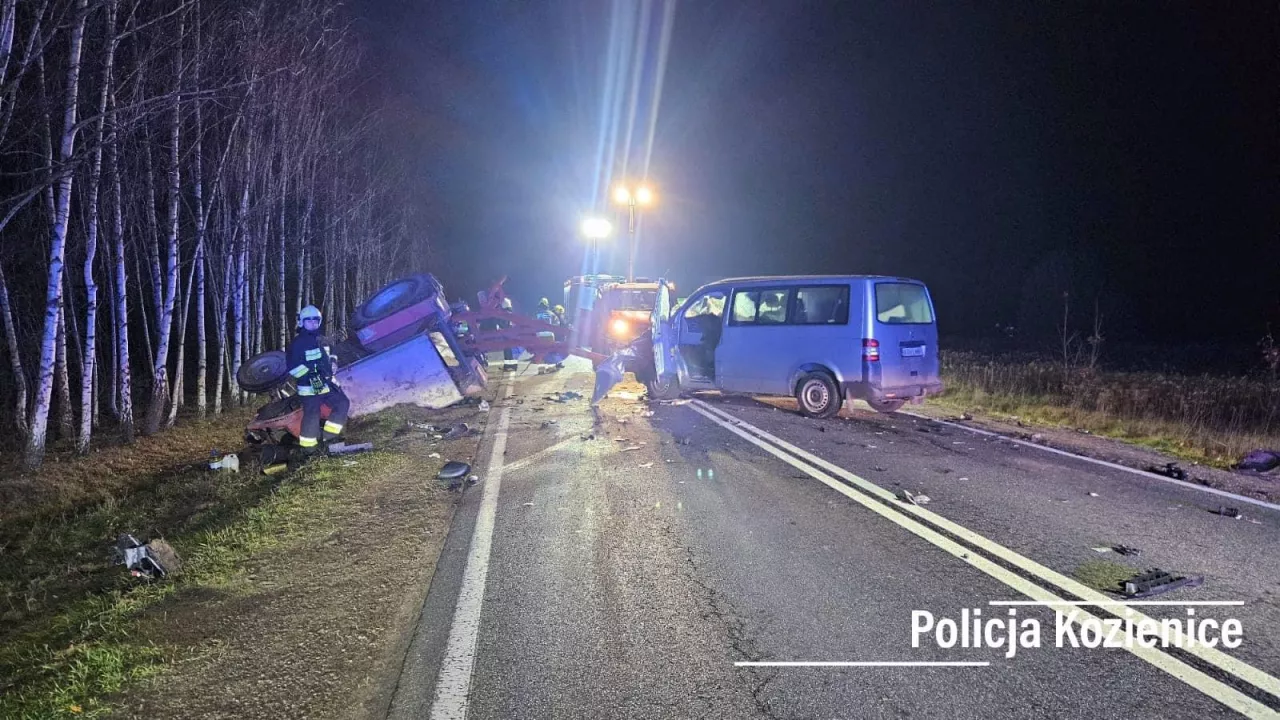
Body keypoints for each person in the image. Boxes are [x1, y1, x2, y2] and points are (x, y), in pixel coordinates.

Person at [286, 305, 350, 455]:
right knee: (312, 415)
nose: (313, 323)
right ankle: (310, 450)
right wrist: (310, 375)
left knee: (342, 403)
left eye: (316, 320)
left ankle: (329, 438)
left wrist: (333, 362)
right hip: (309, 387)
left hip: (327, 383)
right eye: (309, 320)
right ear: (302, 322)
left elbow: (332, 352)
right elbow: (293, 367)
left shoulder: (322, 339)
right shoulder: (298, 344)